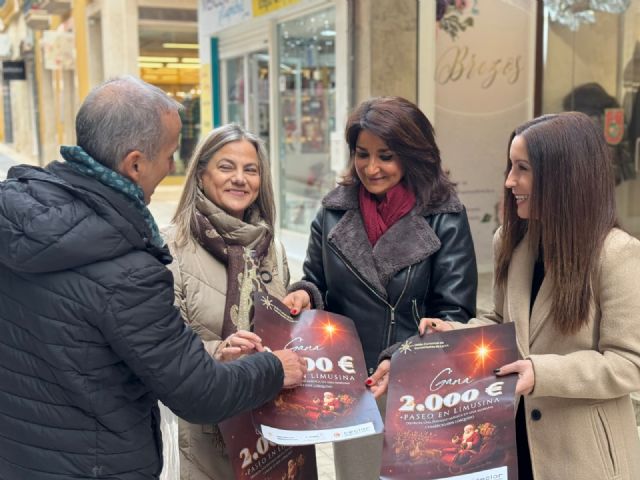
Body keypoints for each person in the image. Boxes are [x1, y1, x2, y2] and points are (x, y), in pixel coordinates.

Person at [0, 76, 305, 480]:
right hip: (98, 464)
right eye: (170, 154)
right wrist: (274, 369)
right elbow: (197, 392)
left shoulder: (15, 221)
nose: (171, 167)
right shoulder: (128, 268)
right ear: (135, 164)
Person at [411, 112, 640, 479]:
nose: (509, 181)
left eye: (523, 169)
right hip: (514, 444)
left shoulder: (617, 254)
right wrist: (454, 333)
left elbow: (629, 364)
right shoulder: (511, 240)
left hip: (584, 458)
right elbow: (501, 322)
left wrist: (541, 372)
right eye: (510, 166)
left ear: (564, 176)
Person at [284, 96, 477, 479]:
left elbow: (454, 313)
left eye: (385, 156)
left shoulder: (444, 216)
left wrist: (403, 355)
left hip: (419, 383)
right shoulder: (333, 212)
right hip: (352, 381)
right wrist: (304, 294)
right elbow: (316, 280)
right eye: (362, 154)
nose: (371, 168)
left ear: (412, 154)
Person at [165, 123, 319, 479]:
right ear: (200, 174)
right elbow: (164, 349)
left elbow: (283, 334)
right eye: (226, 167)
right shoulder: (172, 247)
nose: (240, 178)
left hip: (275, 429)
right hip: (207, 433)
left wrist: (299, 308)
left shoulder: (271, 247)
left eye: (251, 170)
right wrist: (221, 352)